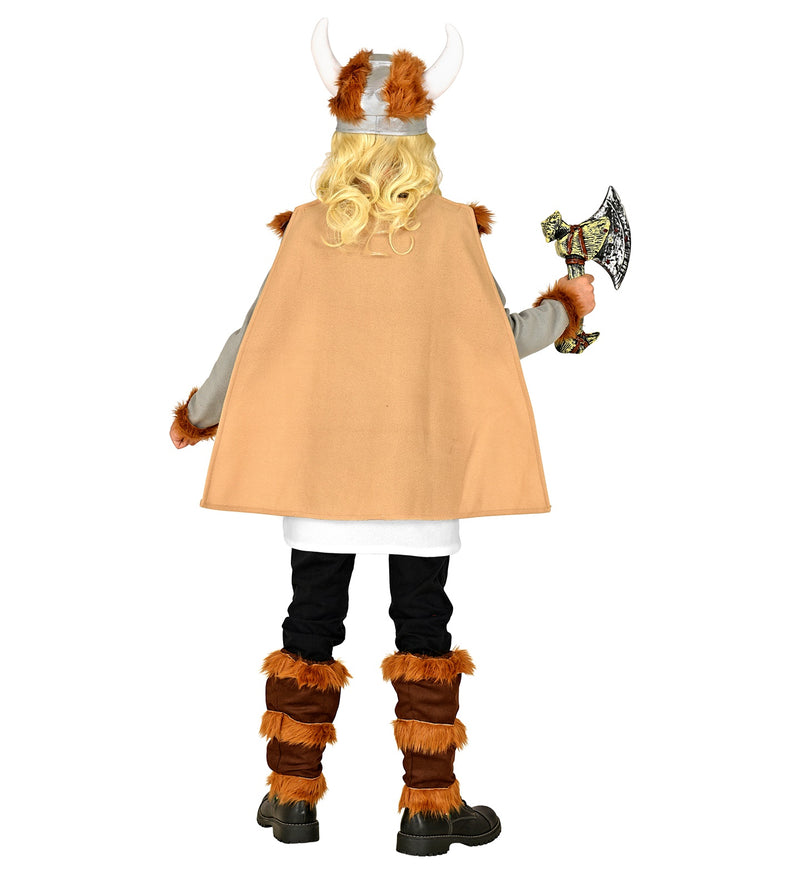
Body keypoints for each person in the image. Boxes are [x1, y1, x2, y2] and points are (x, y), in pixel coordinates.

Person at [169, 20, 594, 856]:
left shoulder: (308, 229)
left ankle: (293, 799)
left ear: (341, 139)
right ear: (424, 141)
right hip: (419, 481)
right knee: (423, 628)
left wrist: (203, 413)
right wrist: (568, 306)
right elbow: (501, 337)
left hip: (320, 484)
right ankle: (428, 812)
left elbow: (250, 340)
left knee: (310, 621)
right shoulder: (451, 229)